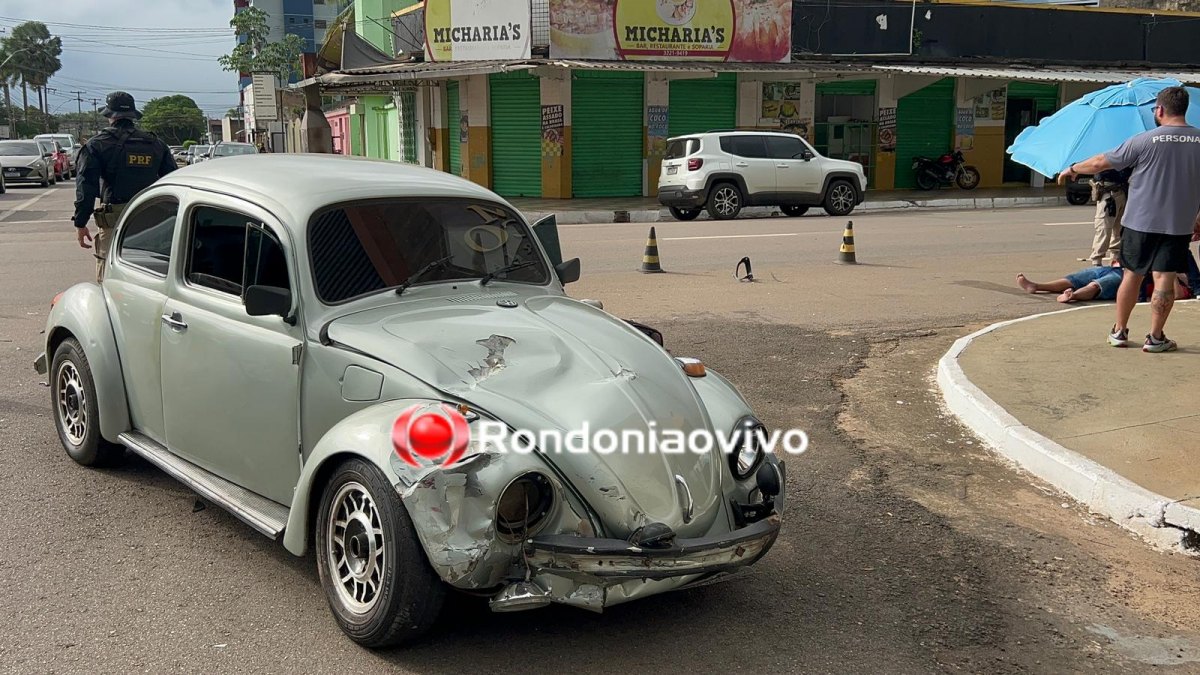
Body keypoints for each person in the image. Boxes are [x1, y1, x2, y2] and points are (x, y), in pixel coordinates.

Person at [1059, 86, 1200, 353]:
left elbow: (1101, 162)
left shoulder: (1144, 140)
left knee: (1131, 276)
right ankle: (1156, 337)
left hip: (1140, 223)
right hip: (1178, 224)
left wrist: (1073, 169)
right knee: (1164, 279)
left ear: (1159, 110)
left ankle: (1119, 331)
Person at [73, 91, 176, 282]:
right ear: (133, 116)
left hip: (115, 219)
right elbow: (174, 181)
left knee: (110, 277)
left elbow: (86, 187)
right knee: (152, 275)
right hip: (155, 220)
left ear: (110, 116)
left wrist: (80, 223)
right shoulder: (156, 144)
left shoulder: (96, 145)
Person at [1079, 167, 1131, 266]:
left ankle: (1115, 261)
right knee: (1104, 229)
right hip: (1107, 192)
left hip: (1123, 191)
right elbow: (1097, 167)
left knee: (1119, 230)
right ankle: (1097, 262)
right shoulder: (1102, 154)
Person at [1016, 263, 1124, 304]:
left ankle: (1073, 295)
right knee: (1077, 278)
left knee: (1097, 285)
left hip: (1131, 274)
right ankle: (1036, 286)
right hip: (1116, 268)